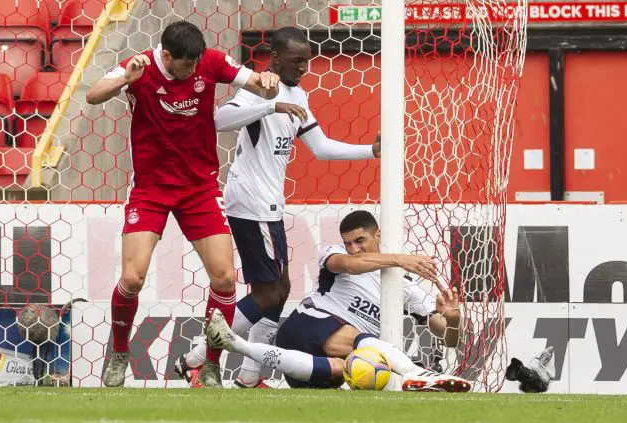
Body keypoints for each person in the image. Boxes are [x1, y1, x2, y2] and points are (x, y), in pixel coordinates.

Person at [174, 26, 380, 388]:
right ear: (276, 57)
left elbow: (321, 147)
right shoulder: (260, 88)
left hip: (268, 204)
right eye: (297, 61)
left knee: (280, 288)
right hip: (251, 202)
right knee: (270, 292)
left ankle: (249, 378)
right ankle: (197, 358)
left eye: (307, 62)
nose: (303, 68)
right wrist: (270, 104)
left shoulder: (298, 93)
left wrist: (371, 152)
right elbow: (218, 120)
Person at [85, 21, 281, 388]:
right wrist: (124, 79)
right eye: (185, 64)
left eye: (196, 63)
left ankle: (208, 365)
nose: (193, 69)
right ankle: (120, 351)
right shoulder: (140, 66)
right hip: (151, 189)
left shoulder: (211, 61)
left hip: (199, 188)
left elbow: (255, 83)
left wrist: (267, 84)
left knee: (224, 278)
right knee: (132, 277)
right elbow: (93, 95)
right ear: (167, 55)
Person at [206, 210, 471, 392]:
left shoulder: (405, 286)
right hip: (306, 327)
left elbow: (449, 339)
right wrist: (400, 259)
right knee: (360, 341)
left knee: (352, 367)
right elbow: (349, 264)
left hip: (316, 368)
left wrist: (453, 318)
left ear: (377, 234)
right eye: (349, 243)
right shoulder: (333, 254)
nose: (353, 248)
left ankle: (235, 343)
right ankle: (413, 372)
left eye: (360, 240)